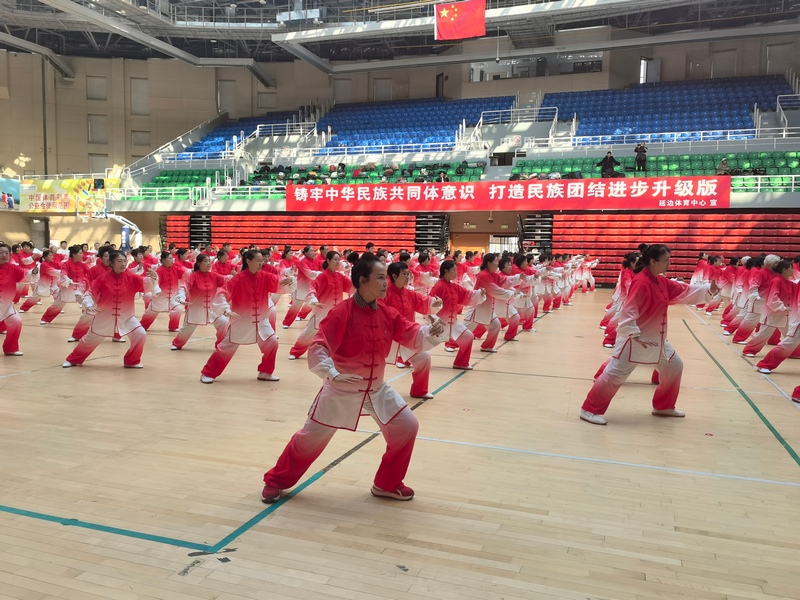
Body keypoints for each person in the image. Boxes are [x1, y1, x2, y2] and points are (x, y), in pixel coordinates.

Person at [260, 254, 445, 504]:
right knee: (309, 438)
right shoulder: (341, 312)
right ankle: (276, 480)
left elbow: (410, 332)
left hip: (376, 388)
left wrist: (430, 331)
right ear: (362, 281)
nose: (385, 283)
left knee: (407, 426)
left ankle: (387, 484)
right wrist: (333, 373)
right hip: (340, 390)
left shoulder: (386, 313)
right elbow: (319, 346)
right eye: (380, 278)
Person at [580, 244, 719, 425]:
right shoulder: (641, 282)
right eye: (666, 260)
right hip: (635, 340)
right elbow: (629, 311)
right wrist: (634, 334)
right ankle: (589, 409)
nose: (669, 263)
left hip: (656, 339)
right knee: (615, 374)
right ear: (653, 261)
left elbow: (683, 290)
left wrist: (708, 289)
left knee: (674, 366)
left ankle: (663, 406)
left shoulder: (660, 281)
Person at [199, 250, 293, 384]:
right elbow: (222, 293)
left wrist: (288, 281)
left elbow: (279, 282)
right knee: (226, 348)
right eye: (258, 260)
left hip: (261, 321)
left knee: (273, 342)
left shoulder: (265, 276)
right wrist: (226, 309)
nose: (261, 263)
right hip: (240, 321)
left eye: (262, 260)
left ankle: (265, 372)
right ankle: (207, 372)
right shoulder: (238, 278)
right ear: (248, 261)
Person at [63, 250, 157, 369]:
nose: (123, 263)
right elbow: (90, 292)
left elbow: (146, 284)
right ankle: (73, 359)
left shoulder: (132, 278)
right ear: (112, 263)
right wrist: (89, 304)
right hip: (104, 317)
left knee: (140, 334)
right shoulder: (102, 279)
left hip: (126, 317)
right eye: (119, 261)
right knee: (88, 341)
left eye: (125, 261)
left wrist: (153, 278)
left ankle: (132, 361)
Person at [381, 261, 442, 399]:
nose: (408, 276)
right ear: (394, 276)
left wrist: (434, 302)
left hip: (407, 335)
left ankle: (419, 391)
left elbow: (423, 301)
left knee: (424, 358)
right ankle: (369, 391)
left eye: (408, 273)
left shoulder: (409, 293)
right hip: (387, 337)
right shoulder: (384, 294)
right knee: (375, 365)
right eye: (404, 274)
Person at [289, 251, 353, 360]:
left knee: (338, 335)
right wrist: (313, 300)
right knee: (308, 333)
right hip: (321, 311)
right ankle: (296, 351)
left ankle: (334, 355)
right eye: (335, 259)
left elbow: (351, 287)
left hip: (336, 313)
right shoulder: (322, 276)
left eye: (339, 260)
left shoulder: (341, 277)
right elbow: (311, 288)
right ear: (328, 261)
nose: (338, 262)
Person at [430, 260, 485, 370]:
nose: (456, 273)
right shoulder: (438, 286)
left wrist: (479, 293)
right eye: (453, 270)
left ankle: (461, 363)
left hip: (453, 323)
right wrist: (433, 319)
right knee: (422, 343)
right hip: (439, 324)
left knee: (468, 336)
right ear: (446, 271)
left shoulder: (454, 286)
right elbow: (429, 302)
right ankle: (404, 359)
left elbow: (467, 294)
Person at [170, 254, 231, 351]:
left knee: (223, 322)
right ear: (199, 263)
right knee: (186, 329)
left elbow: (226, 279)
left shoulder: (214, 276)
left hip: (212, 309)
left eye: (209, 261)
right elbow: (184, 287)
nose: (208, 263)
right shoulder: (193, 276)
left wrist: (236, 276)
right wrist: (181, 298)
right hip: (196, 309)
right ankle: (177, 343)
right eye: (205, 261)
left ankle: (220, 344)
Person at [741, 260, 795, 358]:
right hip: (773, 313)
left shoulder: (790, 283)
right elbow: (772, 298)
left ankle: (795, 352)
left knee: (792, 335)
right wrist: (782, 307)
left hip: (785, 314)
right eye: (791, 268)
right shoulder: (776, 280)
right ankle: (749, 350)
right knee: (762, 334)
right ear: (784, 270)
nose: (793, 270)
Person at [139, 252, 188, 333]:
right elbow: (155, 282)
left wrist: (194, 270)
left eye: (172, 258)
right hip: (160, 297)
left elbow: (186, 272)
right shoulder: (159, 270)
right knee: (151, 312)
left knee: (178, 309)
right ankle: (142, 326)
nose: (172, 260)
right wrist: (157, 291)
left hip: (173, 297)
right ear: (163, 260)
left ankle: (173, 327)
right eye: (169, 258)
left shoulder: (176, 268)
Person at [0, 242, 31, 356]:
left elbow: (25, 275)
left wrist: (34, 272)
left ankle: (10, 348)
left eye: (6, 253)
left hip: (6, 304)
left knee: (16, 321)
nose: (4, 255)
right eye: (1, 252)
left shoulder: (13, 268)